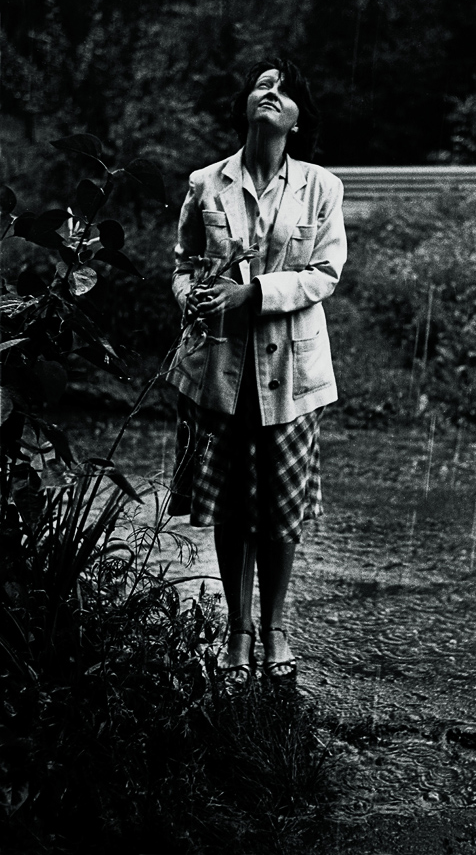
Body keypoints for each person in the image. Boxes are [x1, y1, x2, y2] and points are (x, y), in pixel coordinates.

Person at [166, 58, 347, 687]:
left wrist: (255, 294)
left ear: (297, 120)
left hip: (291, 372)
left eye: (285, 90)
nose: (271, 93)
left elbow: (325, 274)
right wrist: (191, 296)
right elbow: (184, 264)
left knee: (279, 506)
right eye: (262, 85)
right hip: (217, 367)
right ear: (246, 105)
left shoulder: (321, 187)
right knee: (230, 504)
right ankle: (238, 631)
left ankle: (275, 627)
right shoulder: (206, 183)